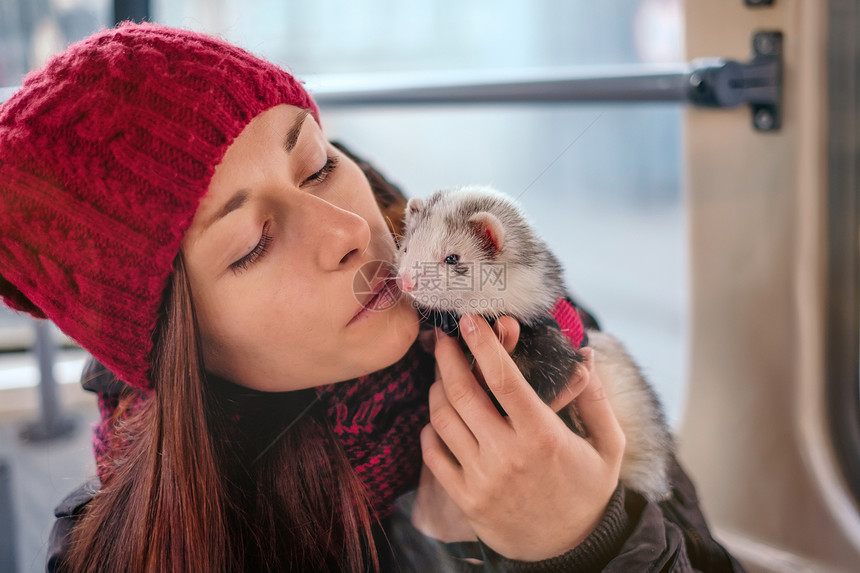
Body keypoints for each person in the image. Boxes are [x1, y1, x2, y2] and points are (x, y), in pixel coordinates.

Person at [0, 22, 745, 572]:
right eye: (255, 242)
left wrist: (594, 540)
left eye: (320, 165)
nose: (351, 229)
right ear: (175, 347)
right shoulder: (141, 548)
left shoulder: (507, 304)